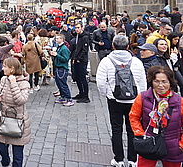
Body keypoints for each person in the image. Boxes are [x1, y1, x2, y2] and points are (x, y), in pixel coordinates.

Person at [96, 35, 147, 167]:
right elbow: (142, 82)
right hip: (134, 101)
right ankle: (132, 159)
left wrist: (108, 94)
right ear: (128, 46)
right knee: (132, 129)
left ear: (113, 46)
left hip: (115, 100)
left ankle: (118, 159)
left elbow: (101, 82)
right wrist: (139, 98)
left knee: (116, 128)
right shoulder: (136, 62)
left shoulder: (106, 61)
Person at [129, 66, 183, 166]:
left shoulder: (179, 101)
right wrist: (140, 134)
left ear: (170, 82)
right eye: (156, 81)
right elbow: (134, 117)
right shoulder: (143, 97)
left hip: (172, 146)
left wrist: (181, 145)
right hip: (149, 143)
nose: (160, 85)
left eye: (164, 81)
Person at [0, 57, 31, 167]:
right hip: (4, 120)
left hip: (18, 122)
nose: (2, 68)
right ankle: (5, 161)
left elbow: (20, 100)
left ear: (12, 69)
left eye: (4, 66)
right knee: (2, 149)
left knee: (18, 155)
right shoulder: (3, 80)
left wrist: (14, 83)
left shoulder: (24, 83)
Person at [51, 34, 74, 106]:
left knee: (63, 84)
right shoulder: (59, 47)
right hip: (58, 68)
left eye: (58, 38)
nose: (56, 40)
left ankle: (69, 99)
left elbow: (65, 59)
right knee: (59, 84)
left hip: (62, 69)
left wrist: (56, 55)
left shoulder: (64, 48)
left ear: (62, 39)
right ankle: (63, 97)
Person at [71, 22, 90, 103]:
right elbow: (76, 49)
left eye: (78, 27)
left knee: (82, 78)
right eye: (76, 28)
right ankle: (81, 93)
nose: (77, 29)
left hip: (82, 60)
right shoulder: (77, 36)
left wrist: (79, 58)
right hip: (76, 59)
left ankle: (85, 96)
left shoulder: (85, 37)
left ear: (82, 28)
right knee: (77, 77)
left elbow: (84, 50)